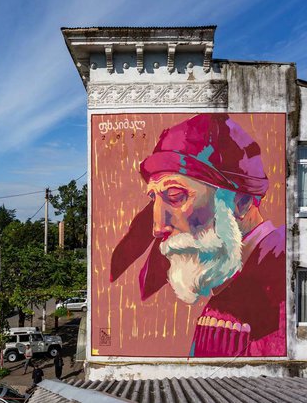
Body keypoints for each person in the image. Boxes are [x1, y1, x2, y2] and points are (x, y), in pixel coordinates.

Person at [110, 114, 285, 357]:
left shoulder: (278, 278)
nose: (158, 227)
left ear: (241, 202)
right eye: (154, 198)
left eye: (175, 196)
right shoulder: (232, 281)